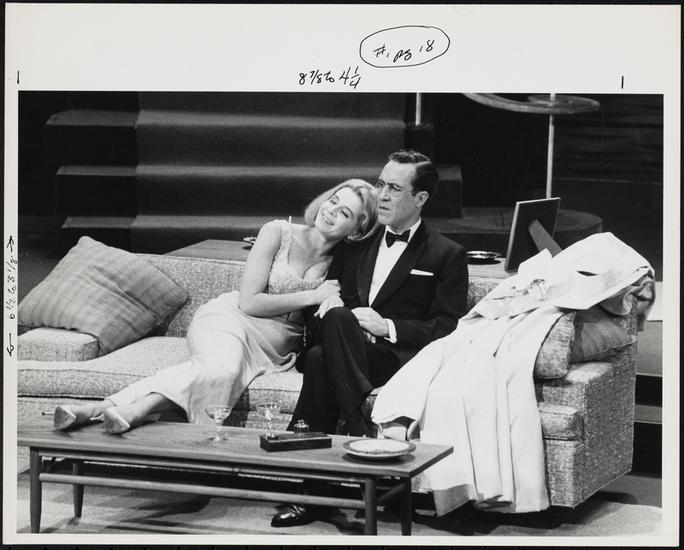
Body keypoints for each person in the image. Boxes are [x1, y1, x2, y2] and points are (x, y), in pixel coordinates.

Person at [52, 179, 379, 434]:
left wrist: (338, 302)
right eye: (333, 200)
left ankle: (97, 410)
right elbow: (249, 302)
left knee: (218, 373)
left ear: (357, 231)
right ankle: (127, 410)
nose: (331, 211)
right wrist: (312, 296)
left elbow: (344, 309)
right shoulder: (277, 231)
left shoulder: (346, 262)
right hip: (231, 320)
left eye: (345, 213)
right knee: (223, 370)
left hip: (275, 350)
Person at [271, 149, 469, 528]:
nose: (382, 195)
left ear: (420, 198)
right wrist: (334, 305)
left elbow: (448, 326)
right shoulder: (356, 242)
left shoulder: (446, 254)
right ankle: (361, 427)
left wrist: (387, 326)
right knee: (333, 325)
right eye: (380, 184)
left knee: (321, 359)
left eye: (394, 188)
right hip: (344, 341)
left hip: (391, 359)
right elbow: (330, 296)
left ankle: (312, 494)